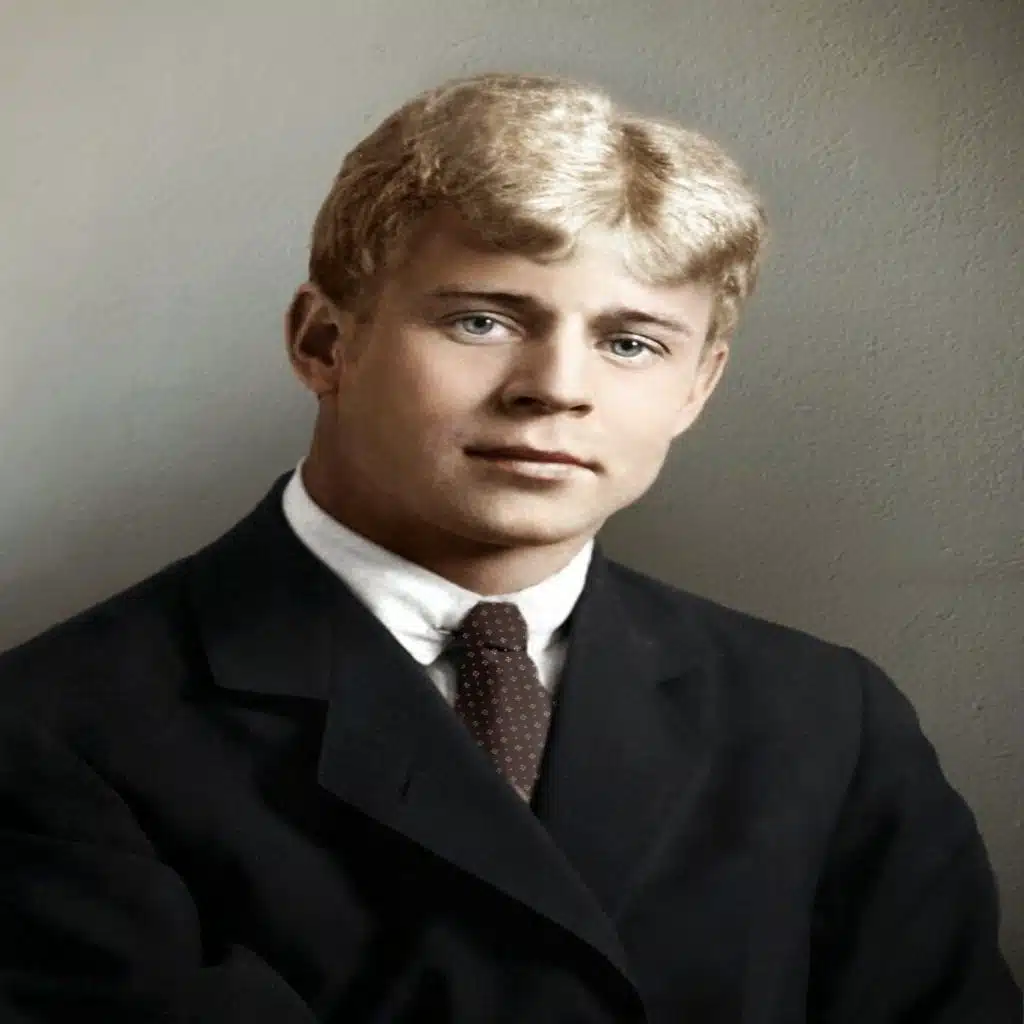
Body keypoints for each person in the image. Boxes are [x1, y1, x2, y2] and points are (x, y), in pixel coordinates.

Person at [0, 72, 1018, 1023]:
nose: (556, 389)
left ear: (697, 386)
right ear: (324, 343)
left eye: (630, 343)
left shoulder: (825, 720)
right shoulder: (51, 729)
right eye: (482, 321)